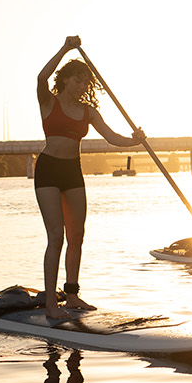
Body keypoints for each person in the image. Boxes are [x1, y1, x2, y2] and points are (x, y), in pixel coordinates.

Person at [34, 37, 145, 321]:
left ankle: (72, 295)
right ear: (66, 81)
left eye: (86, 82)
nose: (84, 86)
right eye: (79, 81)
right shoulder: (48, 101)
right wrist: (65, 48)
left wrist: (134, 141)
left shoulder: (88, 111)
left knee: (77, 235)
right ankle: (50, 304)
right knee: (56, 236)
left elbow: (112, 137)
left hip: (73, 171)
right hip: (48, 170)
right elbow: (41, 76)